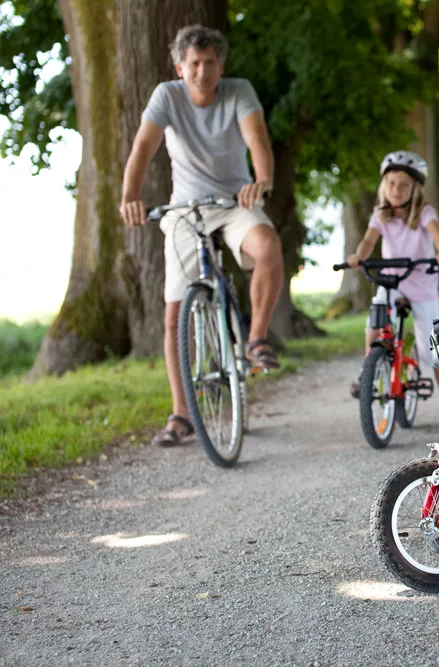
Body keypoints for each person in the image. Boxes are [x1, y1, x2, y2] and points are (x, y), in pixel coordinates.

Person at [118, 25, 285, 447]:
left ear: (220, 66)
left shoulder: (238, 91)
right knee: (174, 315)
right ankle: (181, 413)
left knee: (267, 246)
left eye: (210, 62)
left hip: (235, 202)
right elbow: (141, 149)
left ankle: (256, 339)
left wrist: (261, 181)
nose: (202, 71)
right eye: (193, 63)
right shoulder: (166, 96)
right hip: (184, 210)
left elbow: (257, 138)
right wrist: (129, 198)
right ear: (180, 67)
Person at [346, 151, 439, 403]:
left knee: (432, 350)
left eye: (404, 185)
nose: (397, 190)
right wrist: (358, 256)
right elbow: (367, 242)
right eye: (392, 183)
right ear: (384, 185)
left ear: (415, 189)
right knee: (376, 322)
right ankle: (368, 371)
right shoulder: (380, 215)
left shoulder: (425, 213)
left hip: (421, 284)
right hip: (391, 281)